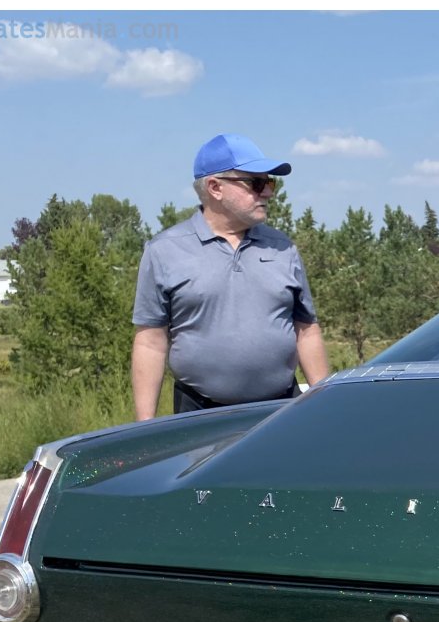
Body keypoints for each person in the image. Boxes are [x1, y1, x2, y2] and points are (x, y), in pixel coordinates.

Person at [131, 133, 330, 420]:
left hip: (281, 411)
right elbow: (150, 342)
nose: (268, 192)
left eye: (269, 182)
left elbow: (306, 330)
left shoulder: (283, 247)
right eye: (256, 183)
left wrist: (324, 405)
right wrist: (145, 428)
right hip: (199, 415)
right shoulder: (164, 250)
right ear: (215, 187)